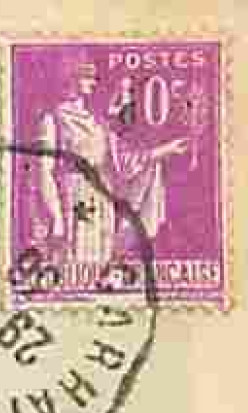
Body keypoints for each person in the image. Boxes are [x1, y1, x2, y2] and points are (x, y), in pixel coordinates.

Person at [35, 54, 187, 268]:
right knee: (77, 262)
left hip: (102, 198)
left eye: (94, 77)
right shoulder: (51, 119)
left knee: (100, 263)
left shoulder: (98, 121)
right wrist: (56, 218)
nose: (94, 82)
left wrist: (165, 150)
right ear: (70, 78)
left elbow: (124, 164)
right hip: (73, 198)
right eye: (87, 76)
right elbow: (43, 172)